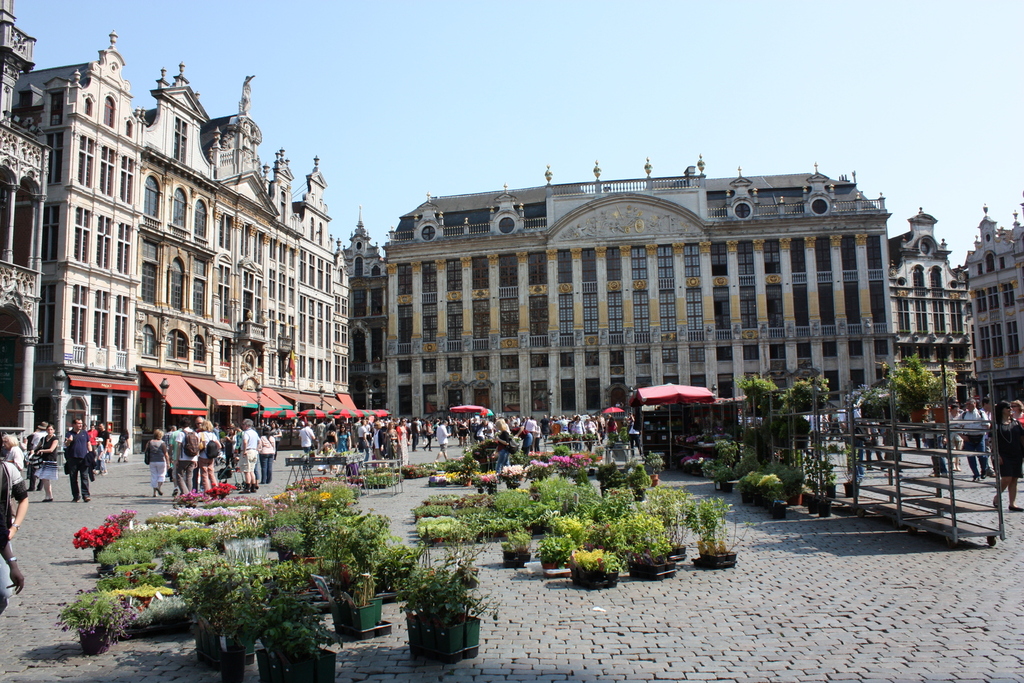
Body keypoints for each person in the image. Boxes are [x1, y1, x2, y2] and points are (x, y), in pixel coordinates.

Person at [0, 455, 29, 615]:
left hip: (2, 539)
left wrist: (15, 526)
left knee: (3, 593)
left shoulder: (7, 470)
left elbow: (23, 499)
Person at [992, 401, 1024, 512]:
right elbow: (993, 441)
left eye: (1011, 407)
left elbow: (1022, 438)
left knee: (1014, 478)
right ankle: (997, 496)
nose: (1010, 409)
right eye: (1008, 407)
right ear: (1002, 410)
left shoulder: (1015, 423)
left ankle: (1012, 504)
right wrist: (996, 455)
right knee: (1006, 478)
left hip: (1017, 453)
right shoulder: (996, 424)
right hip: (1004, 454)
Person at [959, 399, 990, 482]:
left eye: (970, 404)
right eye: (967, 404)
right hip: (968, 438)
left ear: (975, 404)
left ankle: (984, 469)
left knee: (982, 456)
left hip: (979, 437)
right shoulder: (963, 414)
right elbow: (956, 426)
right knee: (971, 457)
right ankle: (976, 474)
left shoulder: (981, 413)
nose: (968, 406)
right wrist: (962, 436)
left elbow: (987, 425)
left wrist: (984, 432)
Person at [65, 419, 93, 502]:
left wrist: (90, 453)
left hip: (83, 458)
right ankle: (76, 496)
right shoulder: (69, 433)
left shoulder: (84, 433)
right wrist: (69, 441)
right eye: (78, 423)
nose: (80, 425)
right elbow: (66, 445)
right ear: (74, 424)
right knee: (73, 478)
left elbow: (88, 443)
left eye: (81, 423)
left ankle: (86, 495)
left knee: (84, 477)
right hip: (73, 459)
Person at [34, 425, 59, 502]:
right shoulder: (44, 438)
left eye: (51, 429)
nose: (50, 431)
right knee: (44, 479)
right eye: (48, 429)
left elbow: (51, 449)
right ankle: (48, 495)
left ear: (54, 430)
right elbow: (37, 446)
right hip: (44, 460)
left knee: (46, 478)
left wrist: (41, 451)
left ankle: (49, 495)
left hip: (51, 460)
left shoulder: (55, 439)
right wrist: (33, 450)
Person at [145, 429, 171, 497]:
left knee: (154, 476)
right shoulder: (162, 443)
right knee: (161, 475)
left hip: (152, 461)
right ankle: (158, 487)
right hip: (161, 461)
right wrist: (168, 463)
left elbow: (146, 451)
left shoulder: (150, 442)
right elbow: (166, 454)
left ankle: (154, 492)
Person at [197, 420, 219, 492]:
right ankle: (216, 490)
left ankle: (207, 492)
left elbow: (197, 445)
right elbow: (219, 445)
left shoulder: (200, 434)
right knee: (211, 474)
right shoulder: (213, 434)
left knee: (204, 475)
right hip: (211, 456)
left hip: (203, 455)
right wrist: (215, 451)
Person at [239, 419, 260, 493]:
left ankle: (247, 488)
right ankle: (253, 487)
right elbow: (259, 441)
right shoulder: (254, 432)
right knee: (252, 470)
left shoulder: (246, 433)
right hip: (254, 451)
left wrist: (244, 451)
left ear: (246, 425)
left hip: (248, 451)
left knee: (246, 470)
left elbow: (245, 442)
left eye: (243, 424)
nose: (242, 426)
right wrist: (257, 449)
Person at [25, 422, 47, 492]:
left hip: (36, 453)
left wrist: (31, 450)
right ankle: (40, 486)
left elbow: (29, 442)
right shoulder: (48, 435)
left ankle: (32, 486)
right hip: (44, 453)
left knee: (33, 470)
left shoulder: (35, 434)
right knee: (43, 470)